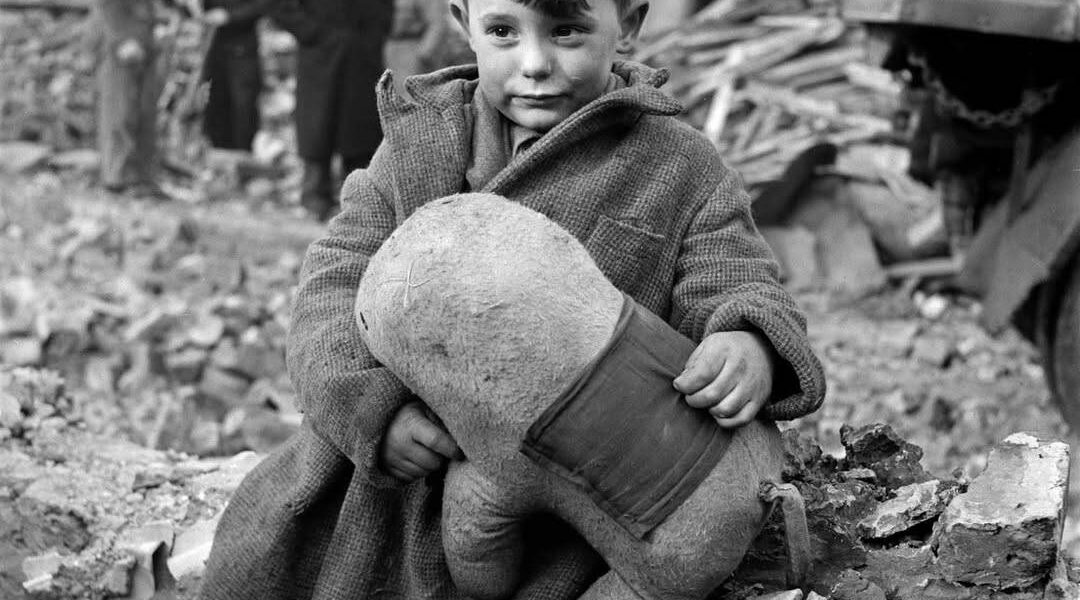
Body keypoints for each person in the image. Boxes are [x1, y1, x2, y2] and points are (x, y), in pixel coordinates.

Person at [198, 0, 827, 598]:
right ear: (461, 22)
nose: (534, 64)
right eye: (503, 31)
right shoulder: (421, 140)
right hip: (391, 479)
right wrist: (369, 409)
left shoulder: (676, 163)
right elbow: (333, 281)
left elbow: (735, 274)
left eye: (566, 32)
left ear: (627, 23)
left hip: (561, 501)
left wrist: (746, 341)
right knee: (283, 559)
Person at [269, 0, 395, 221]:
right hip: (319, 56)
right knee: (317, 128)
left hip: (360, 57)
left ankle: (358, 204)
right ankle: (314, 200)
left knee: (359, 133)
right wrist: (311, 32)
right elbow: (280, 6)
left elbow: (384, 11)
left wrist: (370, 39)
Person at [90, 0, 163, 197]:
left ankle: (142, 176)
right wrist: (120, 39)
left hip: (146, 48)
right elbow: (106, 8)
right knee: (119, 114)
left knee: (145, 115)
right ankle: (118, 176)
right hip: (120, 51)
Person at [200, 0, 275, 151]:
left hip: (242, 49)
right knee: (215, 104)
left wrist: (230, 16)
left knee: (243, 107)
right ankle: (218, 155)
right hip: (213, 47)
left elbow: (263, 5)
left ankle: (243, 157)